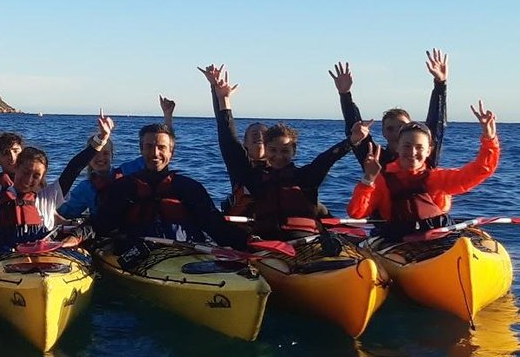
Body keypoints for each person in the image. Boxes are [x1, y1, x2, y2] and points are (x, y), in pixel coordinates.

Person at [200, 65, 369, 238]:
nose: (279, 156)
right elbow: (229, 141)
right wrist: (223, 100)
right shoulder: (253, 178)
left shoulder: (306, 177)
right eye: (273, 150)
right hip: (268, 249)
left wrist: (353, 140)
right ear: (266, 148)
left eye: (284, 151)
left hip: (307, 245)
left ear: (293, 151)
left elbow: (327, 159)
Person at [349, 101, 499, 240]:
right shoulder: (382, 179)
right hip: (397, 242)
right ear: (398, 148)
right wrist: (368, 180)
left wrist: (489, 139)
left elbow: (480, 170)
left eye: (419, 147)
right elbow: (357, 213)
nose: (413, 152)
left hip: (437, 237)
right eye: (407, 146)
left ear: (428, 151)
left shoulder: (437, 178)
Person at [91, 124, 242, 246]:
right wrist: (78, 235)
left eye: (161, 147)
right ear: (141, 150)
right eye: (149, 146)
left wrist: (246, 243)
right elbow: (102, 224)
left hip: (184, 255)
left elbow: (215, 226)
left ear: (172, 153)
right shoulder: (124, 187)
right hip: (137, 256)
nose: (155, 153)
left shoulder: (189, 188)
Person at [330, 49, 448, 169]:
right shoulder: (376, 159)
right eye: (390, 128)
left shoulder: (424, 155)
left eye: (402, 127)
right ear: (384, 133)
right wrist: (345, 94)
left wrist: (440, 84)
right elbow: (355, 131)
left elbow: (436, 123)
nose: (397, 133)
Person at [57, 113, 119, 220]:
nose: (101, 158)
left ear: (112, 156)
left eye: (106, 153)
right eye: (96, 154)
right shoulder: (85, 188)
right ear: (88, 159)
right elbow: (66, 212)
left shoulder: (125, 174)